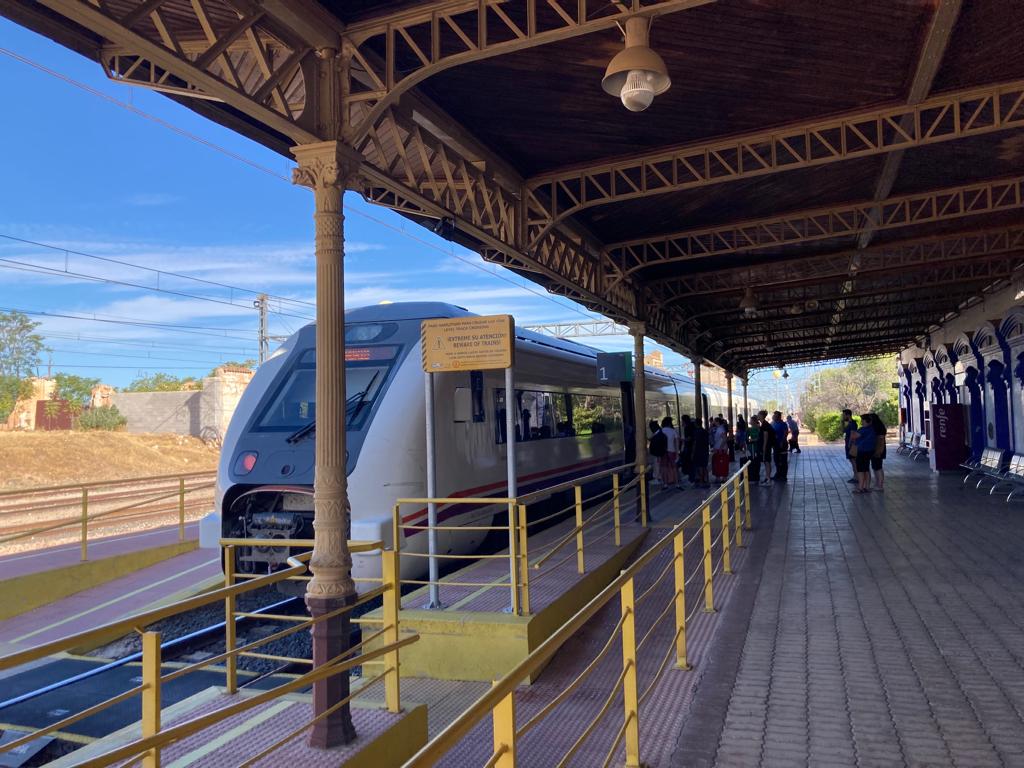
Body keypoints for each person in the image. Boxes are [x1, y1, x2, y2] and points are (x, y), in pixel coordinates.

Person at [851, 413, 876, 494]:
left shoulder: (863, 429)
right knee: (866, 469)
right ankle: (867, 487)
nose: (861, 421)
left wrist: (853, 433)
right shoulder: (872, 429)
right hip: (869, 451)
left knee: (860, 470)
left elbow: (853, 436)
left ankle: (860, 488)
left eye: (862, 420)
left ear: (866, 421)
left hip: (862, 451)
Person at [660, 416, 680, 488]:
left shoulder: (661, 431)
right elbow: (677, 443)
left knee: (664, 468)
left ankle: (665, 484)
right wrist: (677, 454)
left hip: (663, 452)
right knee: (674, 468)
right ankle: (677, 483)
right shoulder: (673, 431)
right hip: (672, 451)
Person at [771, 411, 790, 482]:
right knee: (776, 459)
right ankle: (778, 474)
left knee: (783, 460)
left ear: (779, 417)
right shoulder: (773, 423)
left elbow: (786, 433)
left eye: (775, 416)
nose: (773, 417)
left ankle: (784, 476)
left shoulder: (783, 424)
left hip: (782, 444)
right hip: (775, 444)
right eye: (774, 415)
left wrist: (782, 441)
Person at [871, 413, 887, 491]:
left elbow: (880, 442)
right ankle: (878, 483)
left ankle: (880, 485)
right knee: (876, 467)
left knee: (878, 467)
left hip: (878, 450)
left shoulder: (878, 429)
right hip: (878, 450)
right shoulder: (879, 427)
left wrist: (878, 451)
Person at [692, 418, 710, 488]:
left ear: (696, 424)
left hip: (698, 451)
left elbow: (695, 443)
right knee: (704, 466)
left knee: (700, 467)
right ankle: (707, 480)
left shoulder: (696, 432)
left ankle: (701, 481)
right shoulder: (705, 431)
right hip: (705, 450)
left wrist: (693, 453)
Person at [842, 409, 859, 483]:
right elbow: (843, 431)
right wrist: (842, 423)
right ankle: (855, 476)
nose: (843, 416)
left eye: (844, 415)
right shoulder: (848, 423)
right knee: (851, 460)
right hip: (848, 443)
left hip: (851, 444)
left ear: (848, 415)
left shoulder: (853, 424)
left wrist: (849, 445)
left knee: (853, 461)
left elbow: (852, 434)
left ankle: (857, 477)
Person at [711, 416, 729, 483]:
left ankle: (723, 478)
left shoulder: (720, 429)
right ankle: (719, 477)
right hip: (719, 448)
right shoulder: (719, 428)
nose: (713, 422)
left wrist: (721, 448)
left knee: (721, 463)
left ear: (717, 422)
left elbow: (724, 439)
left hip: (720, 449)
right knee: (718, 463)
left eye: (714, 421)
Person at [648, 420, 666, 487]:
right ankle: (658, 478)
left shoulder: (658, 434)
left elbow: (659, 445)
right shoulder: (658, 433)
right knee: (657, 465)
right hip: (657, 453)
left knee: (657, 466)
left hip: (658, 453)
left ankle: (658, 478)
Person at [758, 409, 773, 485]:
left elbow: (765, 436)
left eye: (758, 415)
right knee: (766, 462)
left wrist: (764, 447)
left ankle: (768, 479)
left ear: (761, 416)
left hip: (766, 446)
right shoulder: (763, 424)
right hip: (766, 446)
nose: (757, 416)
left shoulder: (765, 425)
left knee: (767, 462)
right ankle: (767, 477)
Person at [680, 414, 695, 486]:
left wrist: (682, 440)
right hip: (691, 447)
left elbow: (689, 438)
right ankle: (692, 478)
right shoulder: (691, 426)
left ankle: (691, 479)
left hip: (689, 448)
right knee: (691, 463)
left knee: (689, 463)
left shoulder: (687, 428)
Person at [747, 415, 762, 483]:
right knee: (752, 460)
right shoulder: (749, 429)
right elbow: (746, 438)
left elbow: (760, 437)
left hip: (756, 446)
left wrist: (753, 440)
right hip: (751, 447)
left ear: (754, 421)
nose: (749, 421)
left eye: (750, 420)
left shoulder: (758, 428)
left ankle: (756, 475)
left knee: (757, 460)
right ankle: (753, 474)